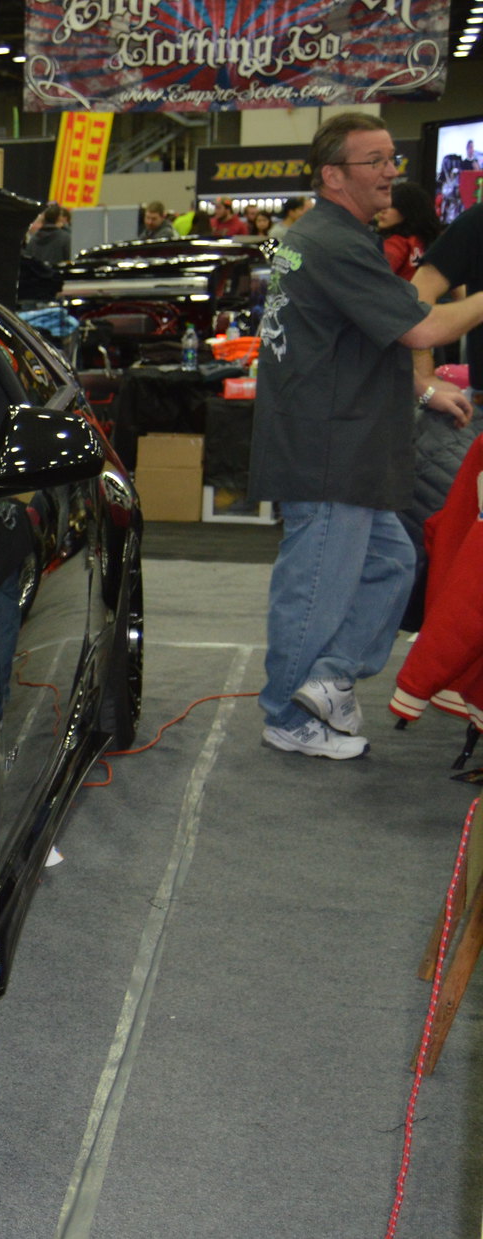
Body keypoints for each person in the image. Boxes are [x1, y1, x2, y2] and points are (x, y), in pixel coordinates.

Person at [248, 113, 483, 759]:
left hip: (336, 438)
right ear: (334, 175)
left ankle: (326, 681)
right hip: (330, 447)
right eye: (374, 161)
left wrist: (423, 387)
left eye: (390, 160)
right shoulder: (334, 242)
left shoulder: (324, 237)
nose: (390, 173)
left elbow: (347, 334)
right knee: (316, 587)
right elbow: (423, 329)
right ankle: (287, 714)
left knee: (391, 563)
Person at [377, 181, 440, 281]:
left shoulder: (395, 244)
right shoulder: (432, 242)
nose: (383, 210)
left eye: (392, 206)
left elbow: (374, 280)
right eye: (384, 204)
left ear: (408, 211)